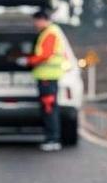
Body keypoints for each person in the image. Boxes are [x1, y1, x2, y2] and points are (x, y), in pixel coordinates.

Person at [15, 10, 68, 151]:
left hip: (47, 77)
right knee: (49, 108)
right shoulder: (50, 32)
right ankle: (52, 138)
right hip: (47, 77)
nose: (35, 24)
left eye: (36, 21)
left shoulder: (50, 33)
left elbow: (45, 55)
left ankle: (53, 139)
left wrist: (27, 61)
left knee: (49, 109)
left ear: (43, 19)